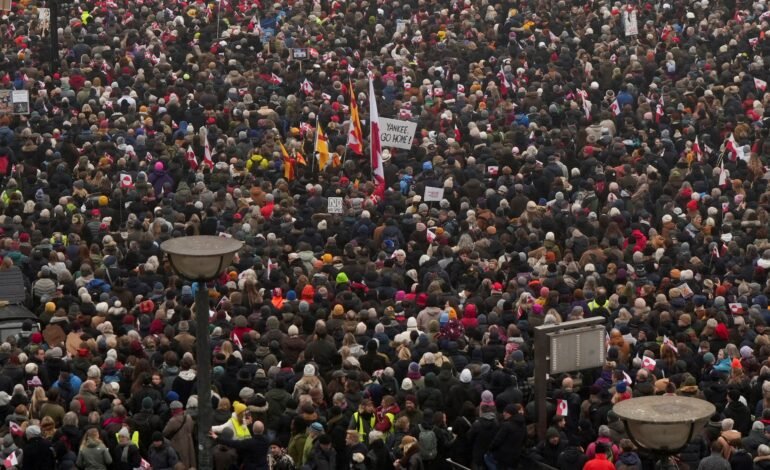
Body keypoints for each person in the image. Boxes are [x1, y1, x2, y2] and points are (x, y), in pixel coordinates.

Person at [485, 404, 526, 470]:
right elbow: (524, 440)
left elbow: (497, 441)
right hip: (515, 457)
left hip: (503, 457)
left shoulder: (506, 425)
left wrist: (490, 449)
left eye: (506, 412)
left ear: (510, 414)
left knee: (486, 457)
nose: (503, 414)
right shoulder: (523, 425)